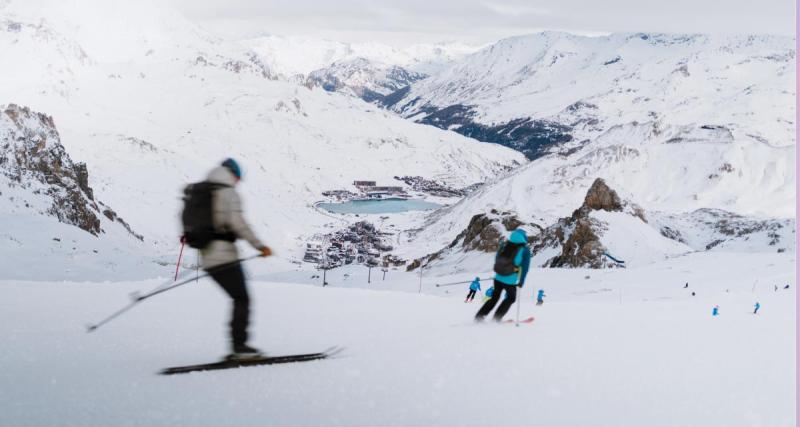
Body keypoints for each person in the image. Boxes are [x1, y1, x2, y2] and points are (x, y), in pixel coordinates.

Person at [199, 158, 272, 359]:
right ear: (233, 175)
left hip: (206, 257)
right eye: (238, 179)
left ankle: (238, 346)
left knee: (238, 298)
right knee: (242, 298)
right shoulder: (228, 192)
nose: (238, 183)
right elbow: (239, 223)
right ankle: (240, 348)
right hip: (224, 257)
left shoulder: (204, 191)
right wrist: (260, 246)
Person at [475, 229, 531, 322]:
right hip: (510, 280)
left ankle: (479, 316)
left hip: (497, 277)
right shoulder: (525, 250)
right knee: (511, 298)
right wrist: (521, 281)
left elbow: (497, 258)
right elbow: (525, 268)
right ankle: (497, 318)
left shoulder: (505, 244)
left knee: (494, 298)